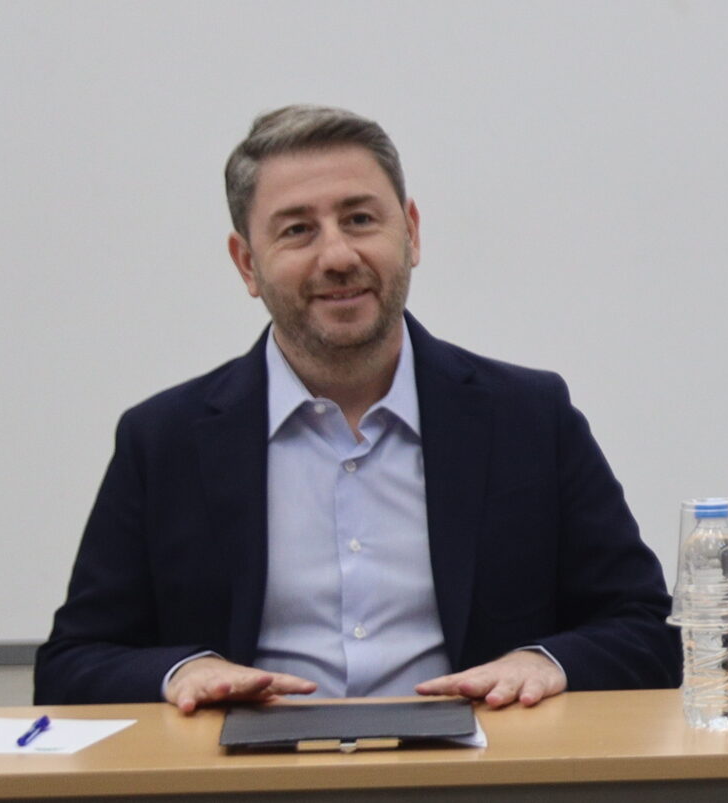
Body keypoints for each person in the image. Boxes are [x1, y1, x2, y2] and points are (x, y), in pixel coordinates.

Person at [34, 105, 680, 713]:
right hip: (250, 774)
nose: (339, 256)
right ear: (247, 264)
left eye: (361, 220)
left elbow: (647, 630)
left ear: (412, 232)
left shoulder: (529, 417)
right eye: (297, 230)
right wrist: (182, 671)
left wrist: (545, 662)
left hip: (476, 769)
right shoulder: (164, 440)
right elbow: (71, 664)